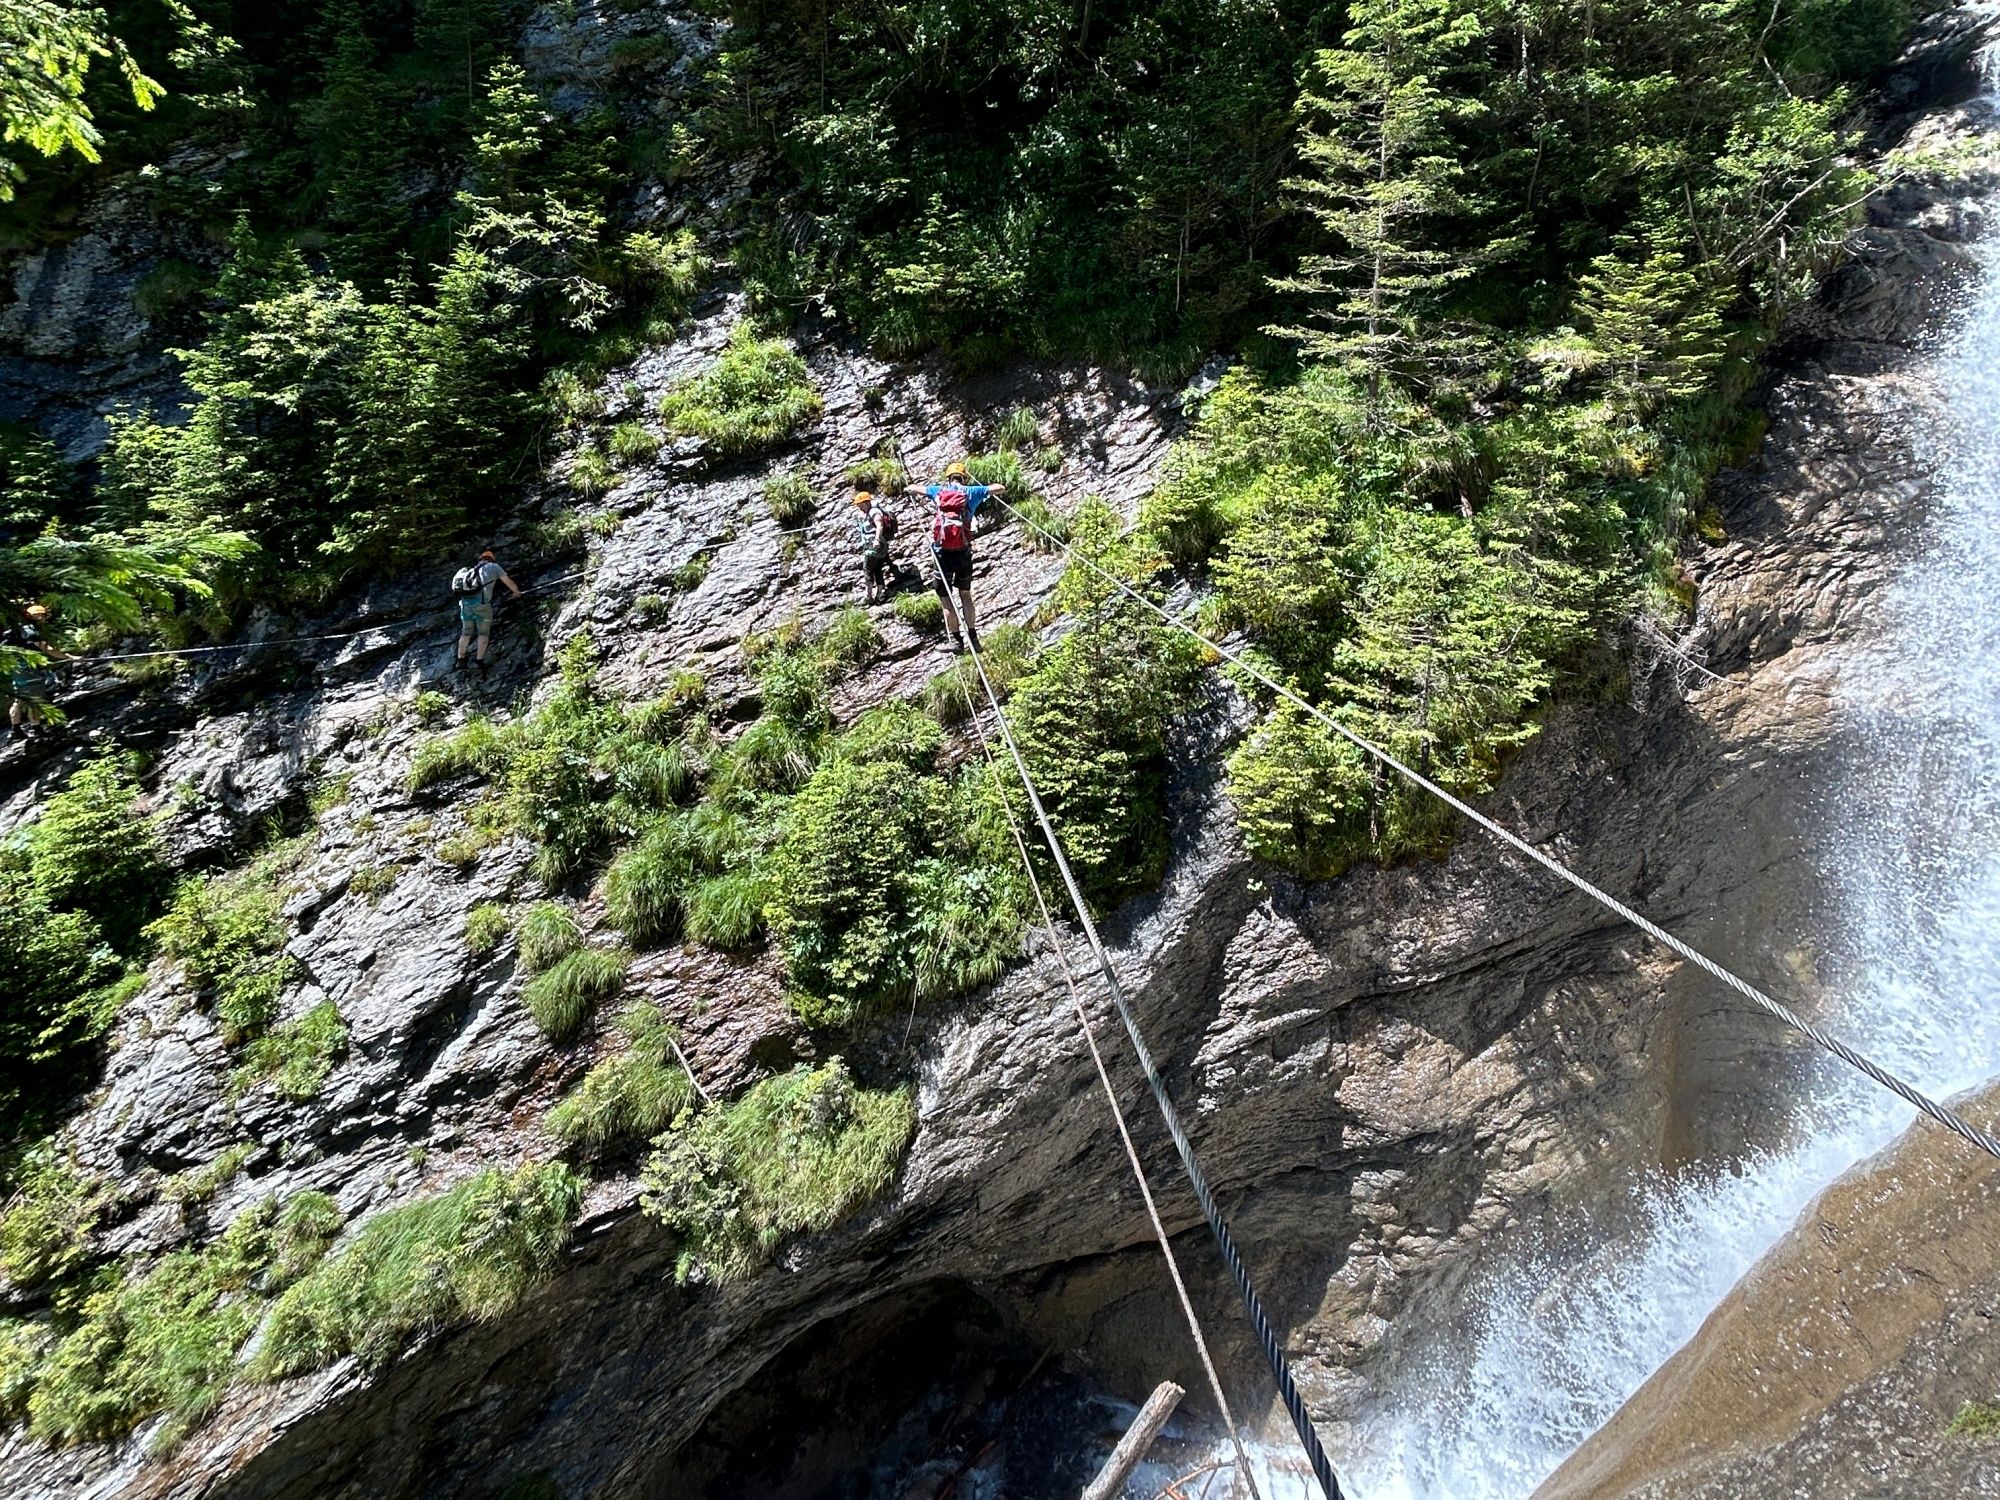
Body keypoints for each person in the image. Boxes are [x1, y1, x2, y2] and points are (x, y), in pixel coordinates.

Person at [908, 462, 1006, 652]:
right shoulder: (972, 492)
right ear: (964, 477)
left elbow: (914, 488)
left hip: (942, 552)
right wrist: (983, 489)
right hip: (963, 552)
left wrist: (909, 488)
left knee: (946, 598)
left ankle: (956, 641)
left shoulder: (938, 491)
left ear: (948, 478)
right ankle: (974, 638)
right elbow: (999, 488)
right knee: (965, 595)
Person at [452, 549, 522, 673]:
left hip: (465, 604)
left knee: (466, 632)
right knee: (483, 633)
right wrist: (516, 592)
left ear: (481, 559)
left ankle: (460, 660)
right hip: (482, 606)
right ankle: (479, 661)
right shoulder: (494, 567)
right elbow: (507, 581)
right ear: (492, 559)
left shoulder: (472, 570)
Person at [5, 603, 65, 740]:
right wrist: (70, 657)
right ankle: (36, 729)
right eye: (41, 615)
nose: (43, 618)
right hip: (28, 670)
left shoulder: (18, 630)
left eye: (43, 615)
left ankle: (16, 730)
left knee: (19, 700)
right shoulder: (31, 631)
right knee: (36, 699)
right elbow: (48, 649)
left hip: (15, 669)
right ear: (35, 616)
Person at [852, 490, 900, 603]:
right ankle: (880, 593)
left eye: (861, 505)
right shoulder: (871, 511)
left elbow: (880, 525)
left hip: (875, 546)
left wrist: (876, 540)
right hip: (880, 546)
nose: (859, 507)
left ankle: (868, 596)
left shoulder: (874, 511)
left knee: (867, 569)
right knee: (877, 569)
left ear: (867, 502)